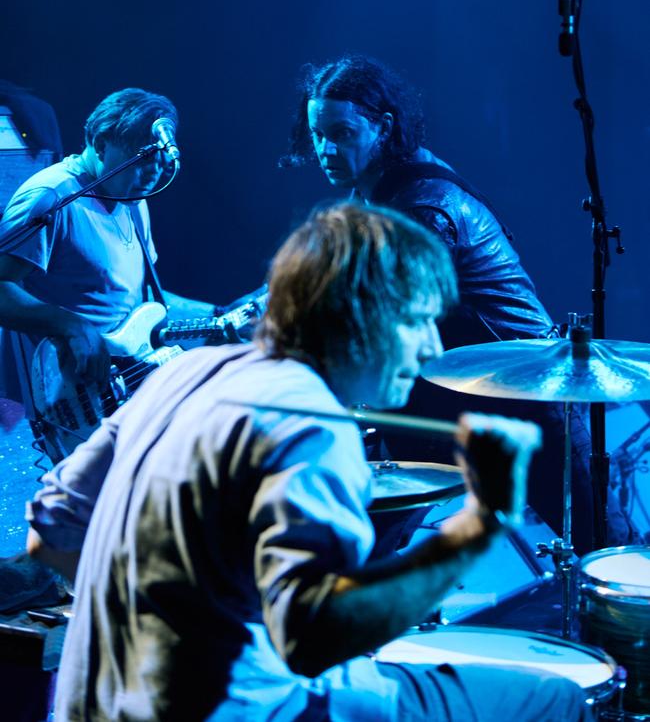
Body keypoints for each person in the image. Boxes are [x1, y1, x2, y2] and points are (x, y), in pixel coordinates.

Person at [26, 203, 591, 721]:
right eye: (417, 320)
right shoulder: (311, 418)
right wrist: (478, 527)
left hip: (84, 710)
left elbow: (49, 531)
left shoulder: (181, 373)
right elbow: (314, 637)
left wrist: (168, 619)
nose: (431, 350)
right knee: (550, 696)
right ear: (357, 316)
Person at [280, 54, 633, 553]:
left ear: (382, 127)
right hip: (449, 397)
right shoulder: (378, 192)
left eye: (341, 133)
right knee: (357, 544)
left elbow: (381, 301)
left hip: (526, 400)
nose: (324, 148)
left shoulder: (423, 203)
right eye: (318, 133)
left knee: (606, 562)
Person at [0, 87, 219, 462]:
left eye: (159, 157)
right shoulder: (52, 197)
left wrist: (219, 316)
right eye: (142, 156)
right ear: (101, 145)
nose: (154, 171)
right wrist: (70, 325)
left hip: (120, 388)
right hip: (61, 402)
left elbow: (140, 301)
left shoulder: (134, 199)